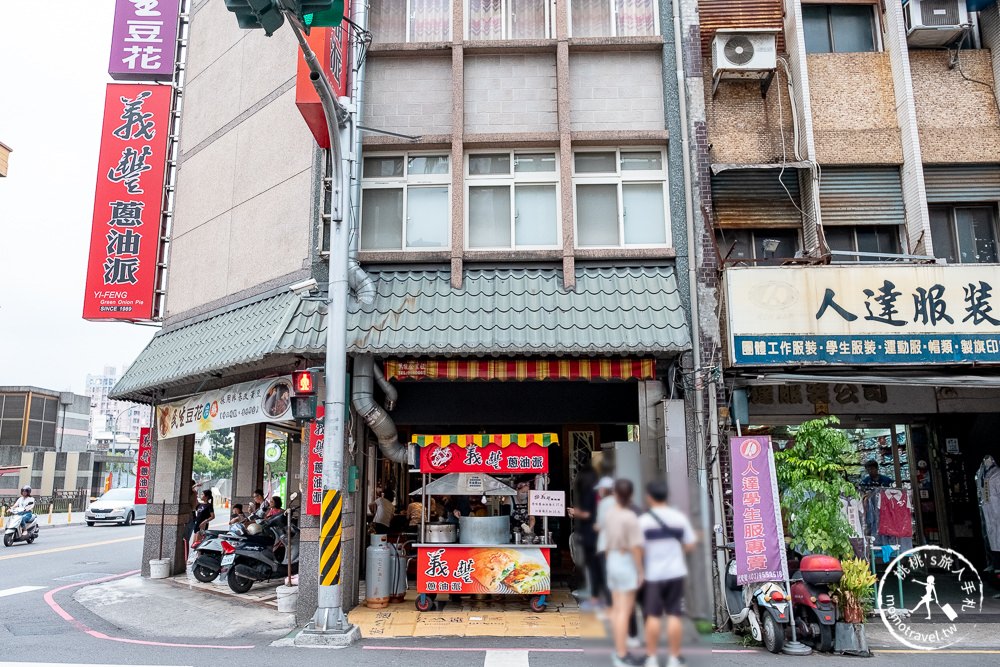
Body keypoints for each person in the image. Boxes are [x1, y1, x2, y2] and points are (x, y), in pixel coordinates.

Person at [639, 479, 697, 667]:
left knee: (653, 615)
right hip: (675, 572)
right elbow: (690, 543)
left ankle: (652, 657)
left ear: (649, 497)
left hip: (653, 574)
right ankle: (674, 657)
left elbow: (637, 548)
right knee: (674, 614)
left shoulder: (644, 521)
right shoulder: (678, 518)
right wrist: (677, 552)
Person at [602, 479, 644, 667]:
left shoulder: (610, 514)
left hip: (612, 561)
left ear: (616, 495)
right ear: (631, 495)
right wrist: (640, 570)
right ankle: (621, 653)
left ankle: (620, 650)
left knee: (618, 609)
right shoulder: (630, 517)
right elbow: (636, 547)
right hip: (627, 562)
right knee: (625, 611)